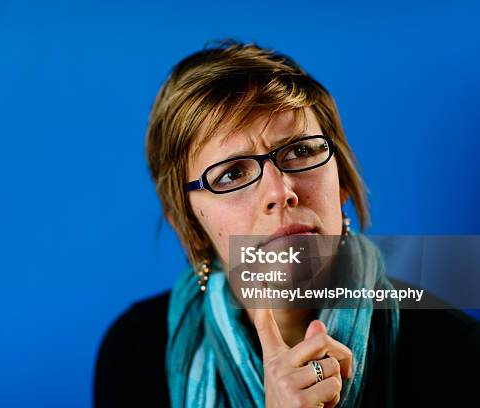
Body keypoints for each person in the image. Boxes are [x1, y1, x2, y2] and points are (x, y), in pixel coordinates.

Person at [93, 40, 479, 407]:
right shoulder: (135, 352)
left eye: (299, 151)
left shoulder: (453, 347)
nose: (280, 191)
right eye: (230, 174)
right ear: (190, 226)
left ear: (341, 179)